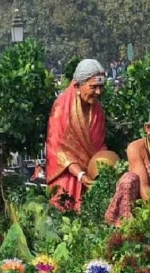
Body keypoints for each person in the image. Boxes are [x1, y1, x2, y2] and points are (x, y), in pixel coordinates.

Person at [46, 59, 107, 210]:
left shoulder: (97, 110)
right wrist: (80, 175)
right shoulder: (61, 107)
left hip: (91, 175)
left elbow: (99, 146)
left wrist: (105, 168)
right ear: (77, 86)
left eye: (101, 87)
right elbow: (57, 149)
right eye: (93, 87)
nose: (98, 92)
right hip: (67, 174)